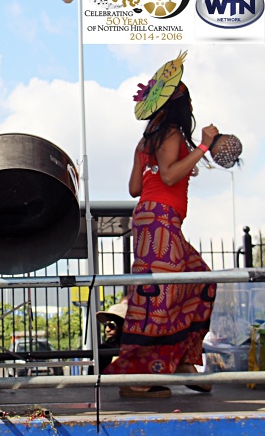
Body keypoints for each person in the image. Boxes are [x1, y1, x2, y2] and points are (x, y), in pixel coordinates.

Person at [105, 51, 218, 398]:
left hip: (149, 219)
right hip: (161, 223)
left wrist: (185, 160)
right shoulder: (170, 135)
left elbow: (136, 188)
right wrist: (203, 147)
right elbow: (168, 174)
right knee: (160, 297)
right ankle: (139, 378)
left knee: (198, 280)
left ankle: (182, 360)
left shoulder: (147, 140)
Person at [89, 302, 126, 374]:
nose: (107, 329)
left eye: (111, 325)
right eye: (105, 325)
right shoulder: (102, 351)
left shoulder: (136, 348)